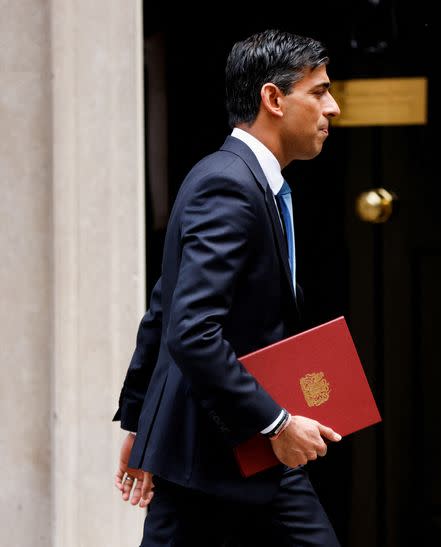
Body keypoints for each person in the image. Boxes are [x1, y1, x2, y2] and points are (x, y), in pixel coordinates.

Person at [112, 29, 342, 546]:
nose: (334, 107)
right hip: (219, 448)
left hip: (230, 452)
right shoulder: (230, 186)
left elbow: (163, 307)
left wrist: (138, 421)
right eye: (320, 90)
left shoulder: (241, 180)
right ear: (273, 98)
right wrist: (279, 425)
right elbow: (190, 329)